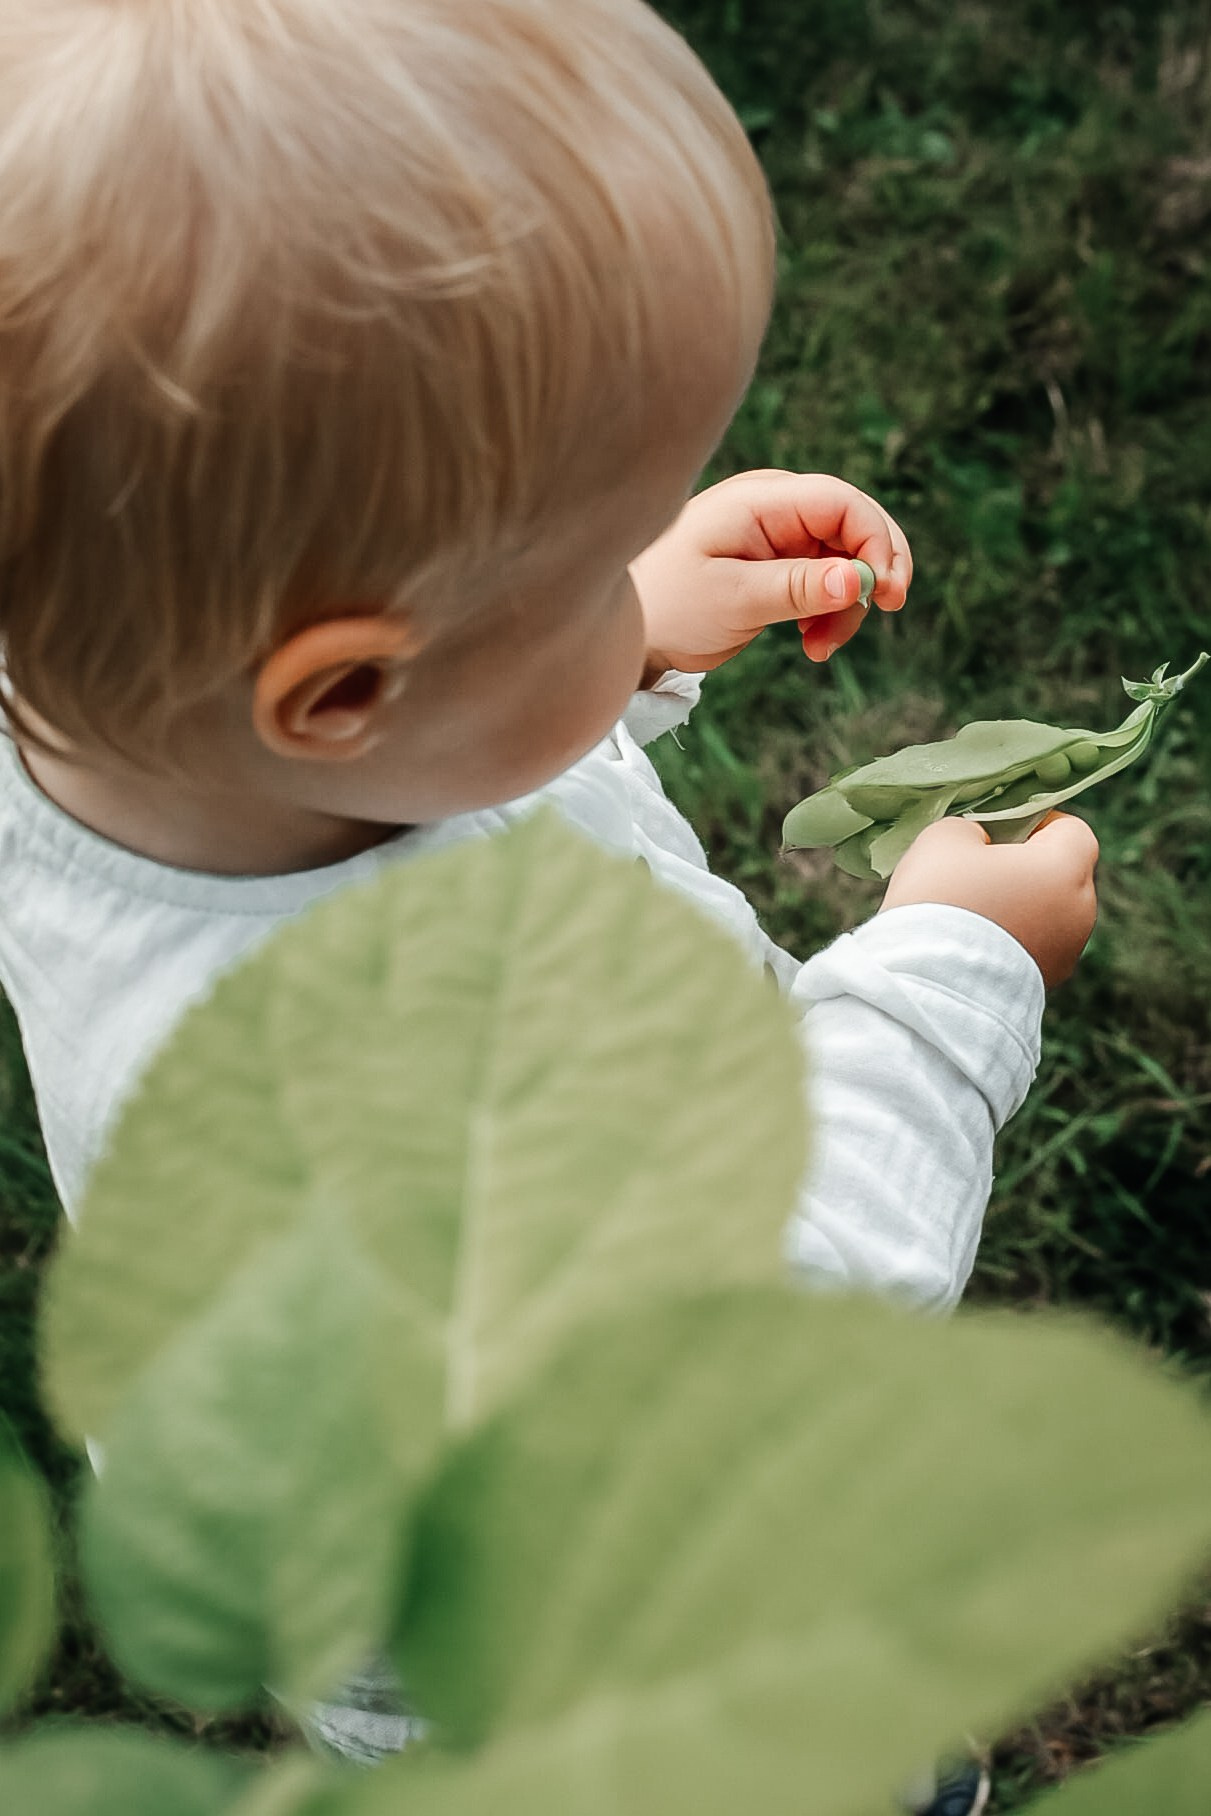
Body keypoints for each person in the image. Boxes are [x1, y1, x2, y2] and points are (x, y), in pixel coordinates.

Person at [0, 2, 1096, 1808]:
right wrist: (950, 974)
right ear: (346, 691)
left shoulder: (121, 708)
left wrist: (621, 624)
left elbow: (419, 750)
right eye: (590, 561)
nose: (634, 564)